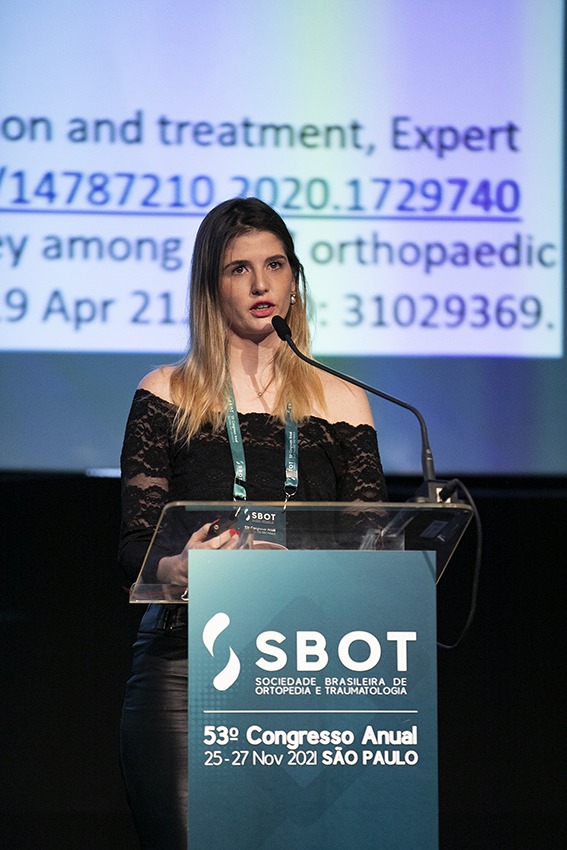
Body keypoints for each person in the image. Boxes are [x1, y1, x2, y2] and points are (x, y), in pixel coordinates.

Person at [118, 197, 388, 848]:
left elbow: (371, 546)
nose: (261, 283)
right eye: (238, 269)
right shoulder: (167, 392)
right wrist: (174, 567)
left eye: (275, 264)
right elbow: (134, 545)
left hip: (312, 669)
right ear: (211, 286)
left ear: (295, 278)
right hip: (189, 665)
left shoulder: (344, 399)